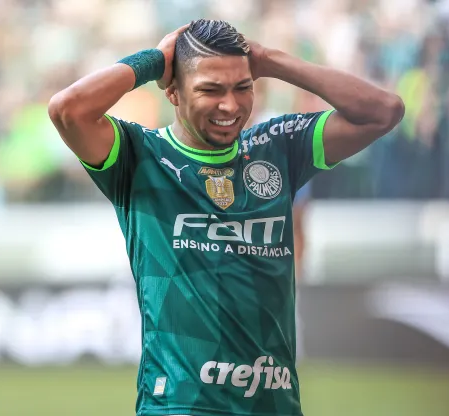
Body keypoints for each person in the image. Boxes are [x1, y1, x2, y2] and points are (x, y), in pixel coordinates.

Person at [48, 19, 403, 416]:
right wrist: (153, 60)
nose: (230, 105)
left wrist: (270, 60)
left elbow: (384, 111)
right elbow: (67, 110)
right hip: (179, 407)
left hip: (275, 406)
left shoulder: (279, 148)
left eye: (242, 87)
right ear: (174, 93)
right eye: (210, 90)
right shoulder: (140, 157)